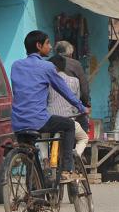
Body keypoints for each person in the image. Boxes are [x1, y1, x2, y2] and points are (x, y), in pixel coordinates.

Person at [10, 30, 87, 179]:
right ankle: (67, 168)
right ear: (39, 45)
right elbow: (64, 90)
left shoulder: (16, 66)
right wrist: (81, 107)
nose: (50, 47)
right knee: (69, 126)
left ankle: (34, 193)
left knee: (30, 158)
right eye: (47, 43)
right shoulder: (46, 67)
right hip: (38, 120)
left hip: (18, 122)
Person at [49, 55, 89, 157]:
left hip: (49, 121)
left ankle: (44, 158)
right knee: (83, 138)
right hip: (67, 120)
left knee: (42, 138)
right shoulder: (74, 81)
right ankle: (76, 155)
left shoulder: (47, 81)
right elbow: (76, 103)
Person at [54, 40, 90, 109]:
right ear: (70, 53)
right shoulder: (75, 64)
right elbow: (84, 86)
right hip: (72, 103)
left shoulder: (49, 63)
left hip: (53, 105)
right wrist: (86, 102)